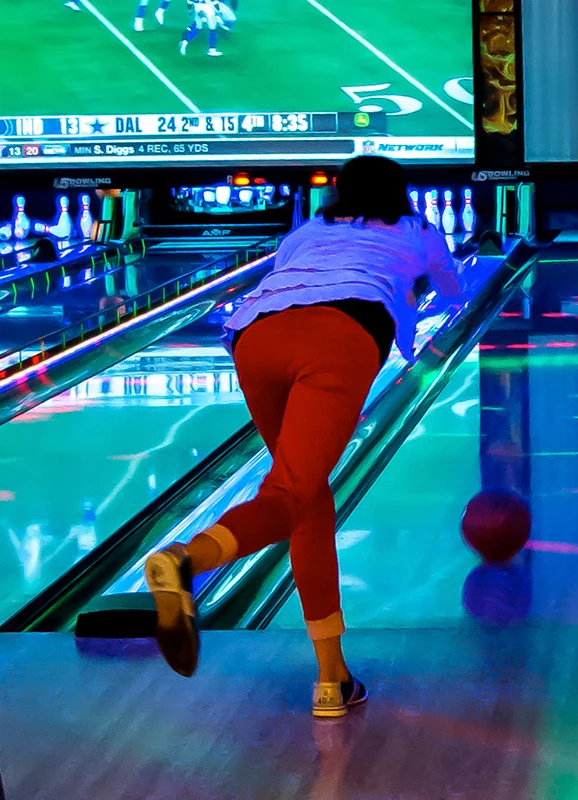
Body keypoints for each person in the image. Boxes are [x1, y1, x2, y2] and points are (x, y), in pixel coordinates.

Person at [144, 156, 464, 717]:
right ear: (402, 192)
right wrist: (423, 293)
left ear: (338, 190)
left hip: (256, 335)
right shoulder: (419, 230)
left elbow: (286, 275)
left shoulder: (307, 230)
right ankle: (185, 560)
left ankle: (331, 678)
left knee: (306, 497)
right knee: (289, 496)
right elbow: (453, 291)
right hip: (340, 333)